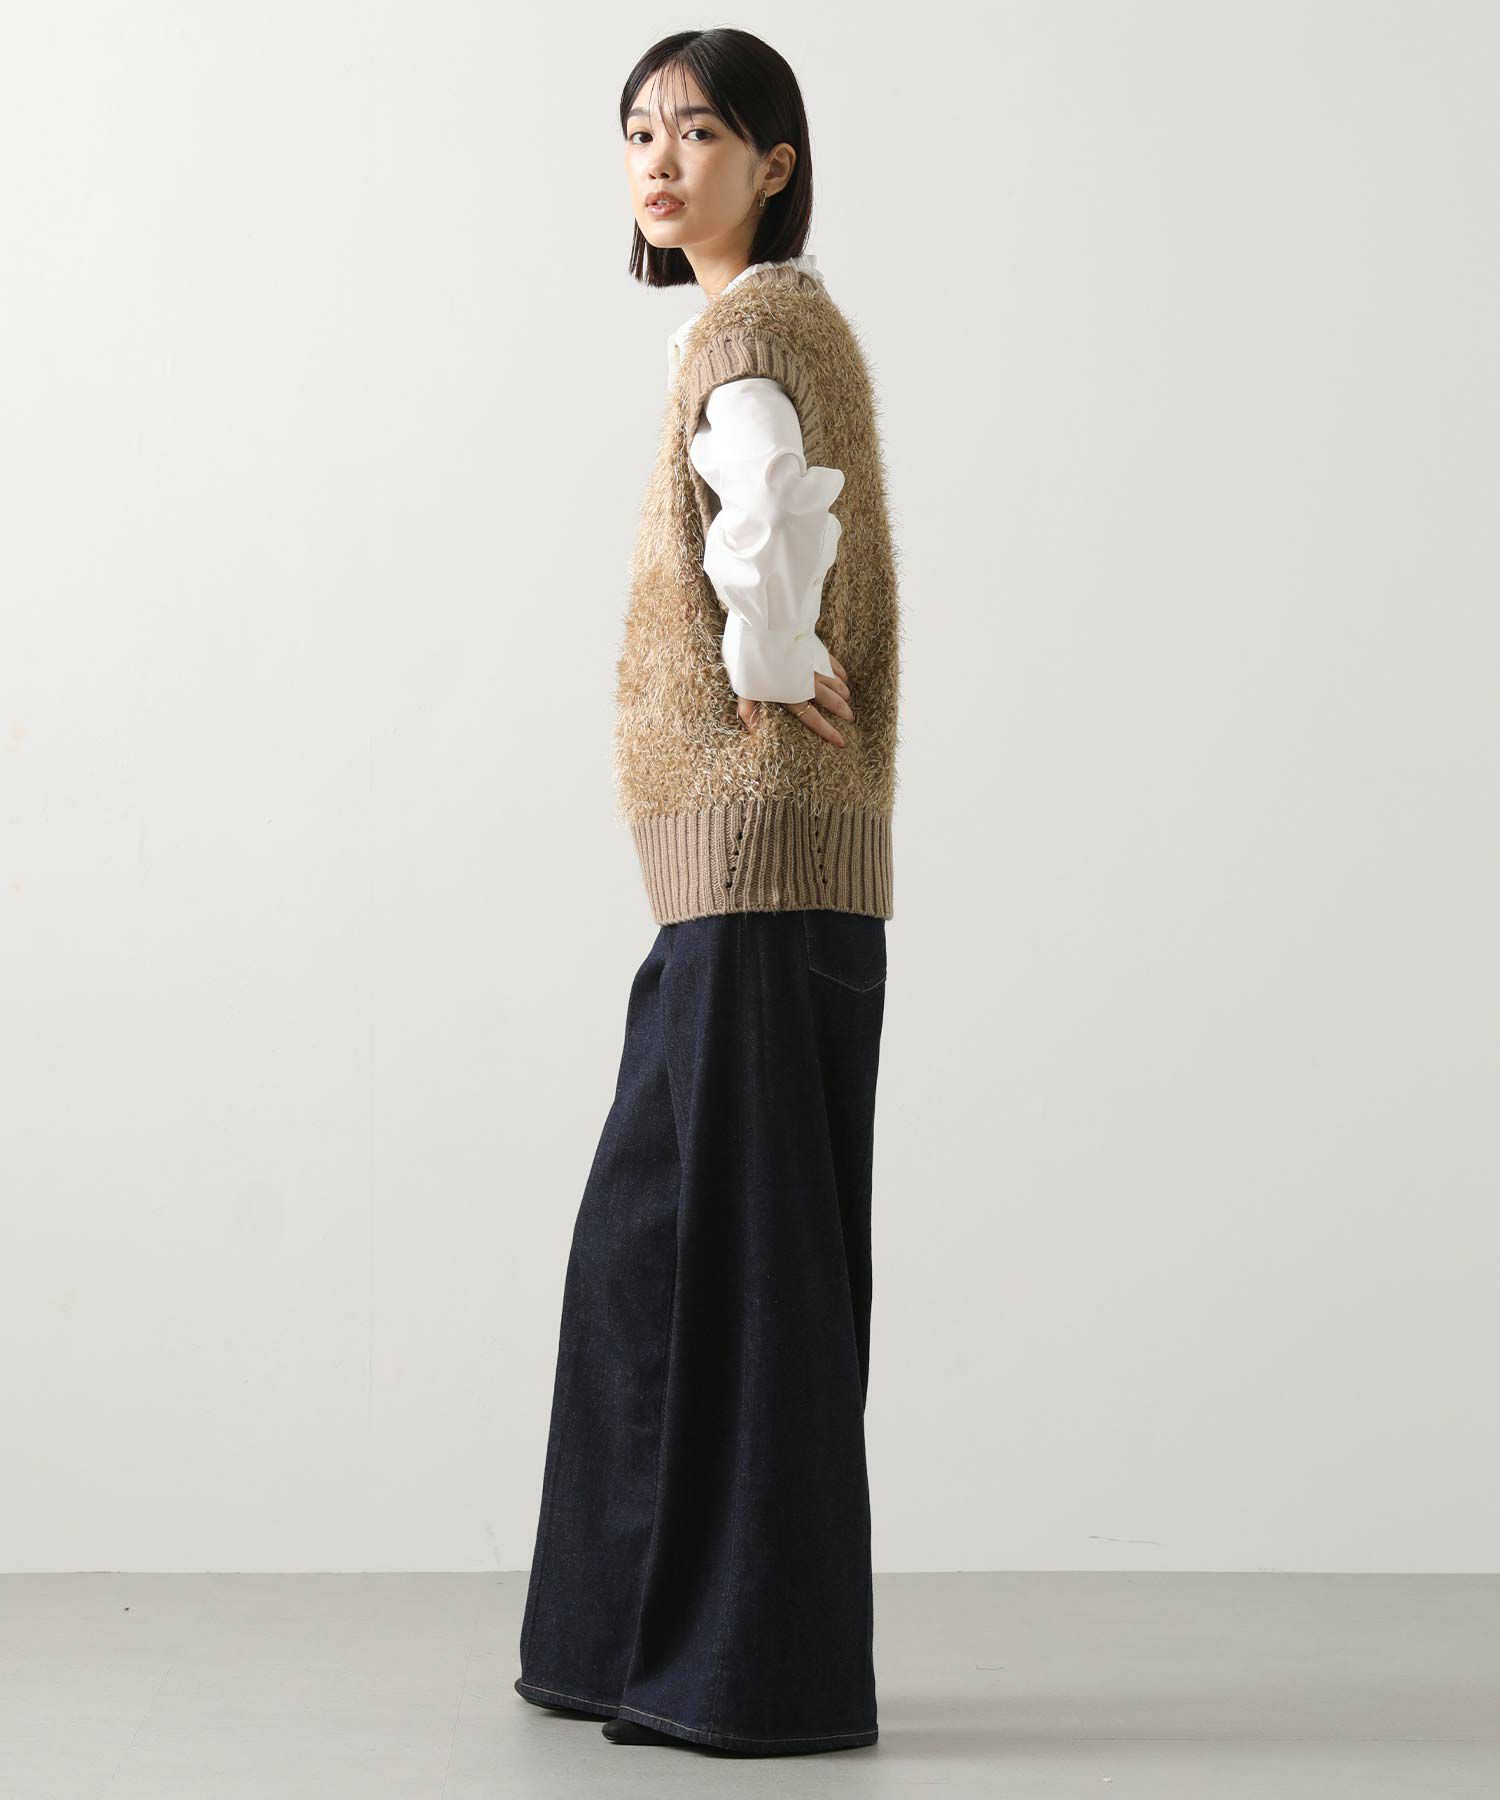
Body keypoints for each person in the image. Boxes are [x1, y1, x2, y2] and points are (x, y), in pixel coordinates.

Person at [514, 27, 902, 1760]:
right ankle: (638, 1648)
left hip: (756, 860)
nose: (661, 164)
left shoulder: (752, 331)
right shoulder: (757, 322)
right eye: (639, 134)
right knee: (673, 1251)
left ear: (775, 162)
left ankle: (738, 1676)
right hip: (752, 870)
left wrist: (769, 659)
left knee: (730, 1271)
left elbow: (765, 499)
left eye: (699, 133)